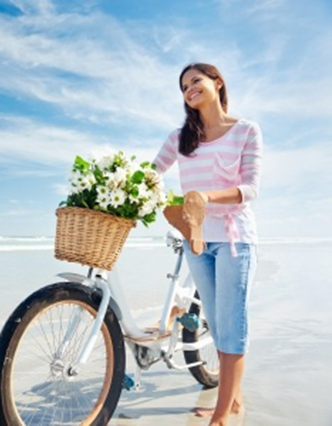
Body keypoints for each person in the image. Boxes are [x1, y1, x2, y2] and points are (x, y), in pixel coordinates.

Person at [152, 62, 263, 426]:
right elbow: (151, 174)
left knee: (232, 328)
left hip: (234, 241)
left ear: (217, 83)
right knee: (217, 325)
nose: (189, 89)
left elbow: (250, 190)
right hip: (196, 241)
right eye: (183, 86)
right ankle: (232, 402)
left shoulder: (245, 130)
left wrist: (206, 196)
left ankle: (220, 417)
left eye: (195, 80)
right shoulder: (179, 138)